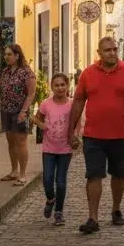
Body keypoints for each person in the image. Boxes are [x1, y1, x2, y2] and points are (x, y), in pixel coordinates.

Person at [69, 37, 124, 235]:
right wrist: (72, 130)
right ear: (99, 52)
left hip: (121, 134)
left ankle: (115, 208)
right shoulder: (88, 74)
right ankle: (93, 218)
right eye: (107, 50)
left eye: (114, 49)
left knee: (119, 174)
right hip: (93, 135)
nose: (112, 53)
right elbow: (78, 102)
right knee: (94, 174)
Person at [32, 74, 79, 226]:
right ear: (51, 87)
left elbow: (77, 122)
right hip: (49, 148)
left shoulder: (72, 105)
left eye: (62, 85)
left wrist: (76, 137)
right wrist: (42, 125)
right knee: (47, 178)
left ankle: (59, 212)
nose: (60, 88)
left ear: (67, 86)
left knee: (60, 181)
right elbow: (36, 118)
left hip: (65, 148)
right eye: (56, 85)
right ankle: (50, 199)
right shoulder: (46, 104)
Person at [0, 44, 36, 185]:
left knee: (21, 142)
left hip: (20, 111)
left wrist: (24, 111)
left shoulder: (26, 72)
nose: (6, 57)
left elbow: (31, 94)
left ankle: (23, 174)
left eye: (9, 54)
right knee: (10, 141)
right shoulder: (5, 71)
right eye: (5, 54)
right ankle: (14, 171)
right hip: (6, 110)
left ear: (17, 56)